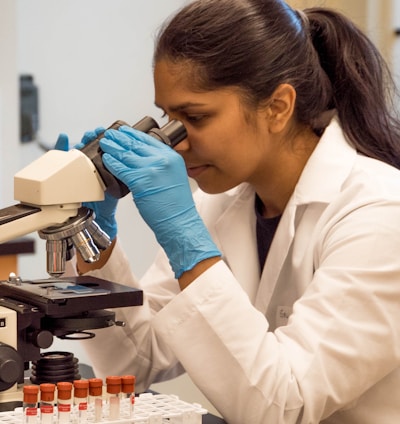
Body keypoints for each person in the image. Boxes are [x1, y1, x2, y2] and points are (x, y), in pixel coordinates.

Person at [62, 0, 400, 422]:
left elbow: (283, 405)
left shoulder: (380, 213)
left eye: (194, 117)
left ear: (278, 107)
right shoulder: (219, 202)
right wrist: (95, 239)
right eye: (167, 117)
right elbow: (137, 361)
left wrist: (188, 243)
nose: (174, 141)